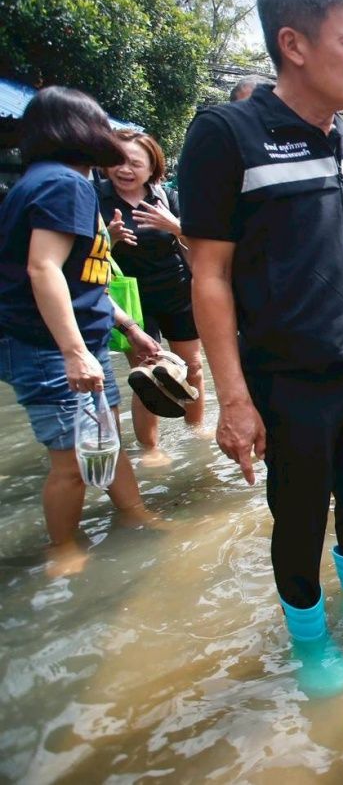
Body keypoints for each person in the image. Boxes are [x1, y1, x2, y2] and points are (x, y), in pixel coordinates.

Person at [177, 0, 343, 697]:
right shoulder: (228, 135)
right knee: (299, 518)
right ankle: (311, 642)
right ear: (292, 43)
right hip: (289, 380)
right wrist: (234, 399)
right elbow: (209, 274)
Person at [0, 86, 162, 576]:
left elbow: (83, 277)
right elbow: (43, 269)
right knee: (70, 463)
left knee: (105, 441)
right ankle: (62, 549)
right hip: (50, 348)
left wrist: (130, 328)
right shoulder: (61, 185)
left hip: (77, 343)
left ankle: (135, 516)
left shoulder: (53, 181)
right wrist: (73, 351)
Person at [100, 130, 203, 465]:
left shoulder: (164, 196)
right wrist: (109, 238)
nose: (125, 169)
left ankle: (196, 429)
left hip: (176, 289)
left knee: (193, 367)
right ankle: (151, 448)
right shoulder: (95, 198)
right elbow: (85, 260)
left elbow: (195, 245)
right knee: (147, 375)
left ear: (151, 168)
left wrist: (175, 225)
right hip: (130, 297)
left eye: (135, 163)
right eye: (117, 161)